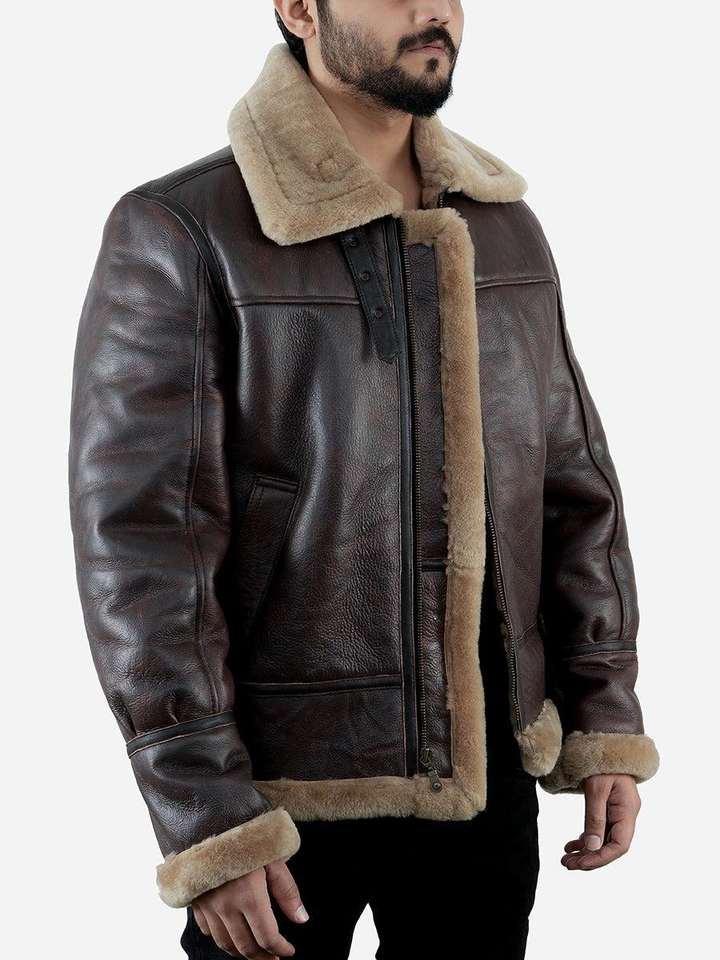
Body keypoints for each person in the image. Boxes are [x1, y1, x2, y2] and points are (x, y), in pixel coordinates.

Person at [68, 2, 660, 957]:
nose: (435, 11)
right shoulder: (184, 228)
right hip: (281, 794)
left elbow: (572, 489)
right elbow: (141, 550)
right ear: (300, 8)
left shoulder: (504, 227)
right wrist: (207, 814)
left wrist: (603, 717)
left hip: (484, 783)